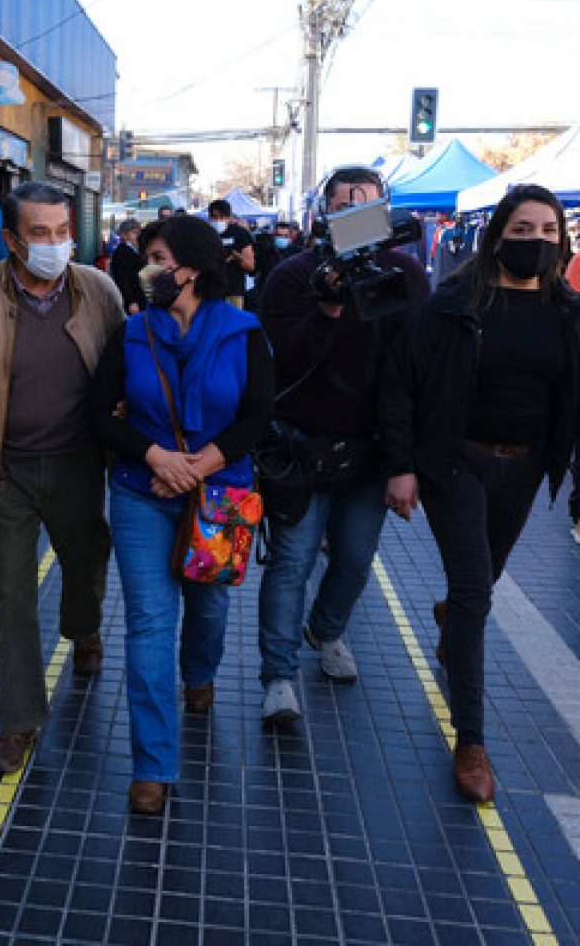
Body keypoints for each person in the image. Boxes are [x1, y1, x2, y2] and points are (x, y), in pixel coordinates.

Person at [380, 184, 578, 803]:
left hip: (522, 471)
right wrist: (401, 465)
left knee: (481, 585)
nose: (536, 242)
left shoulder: (570, 315)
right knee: (473, 590)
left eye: (548, 232)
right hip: (455, 464)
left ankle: (453, 617)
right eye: (523, 231)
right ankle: (471, 740)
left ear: (563, 240)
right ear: (497, 237)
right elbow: (400, 383)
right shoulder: (453, 305)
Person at [0, 181, 124, 775]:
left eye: (64, 232)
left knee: (86, 564)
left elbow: (120, 371)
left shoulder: (99, 291)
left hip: (80, 465)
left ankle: (84, 629)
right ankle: (20, 720)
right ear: (10, 239)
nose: (56, 244)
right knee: (9, 596)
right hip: (2, 469)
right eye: (41, 234)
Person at [90, 216, 273, 814]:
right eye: (146, 257)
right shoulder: (132, 334)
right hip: (143, 491)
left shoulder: (245, 333)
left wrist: (198, 466)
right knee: (147, 623)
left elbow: (256, 417)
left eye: (158, 257)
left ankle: (200, 674)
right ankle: (152, 764)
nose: (147, 269)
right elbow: (99, 414)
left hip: (219, 498)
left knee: (210, 608)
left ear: (191, 268)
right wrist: (153, 456)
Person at [257, 166, 431, 725]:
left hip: (372, 447)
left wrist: (407, 460)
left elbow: (417, 365)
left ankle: (326, 629)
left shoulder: (404, 272)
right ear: (325, 212)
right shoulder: (292, 276)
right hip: (301, 442)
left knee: (355, 559)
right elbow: (282, 360)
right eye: (345, 207)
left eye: (369, 208)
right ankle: (278, 675)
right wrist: (327, 307)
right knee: (291, 562)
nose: (357, 218)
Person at [207, 199, 255, 306]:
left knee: (233, 321)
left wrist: (238, 258)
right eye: (215, 217)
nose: (218, 220)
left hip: (234, 291)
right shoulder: (205, 234)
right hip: (210, 290)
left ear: (229, 218)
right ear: (210, 218)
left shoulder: (240, 233)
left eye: (222, 217)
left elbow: (250, 266)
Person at [109, 218, 145, 315]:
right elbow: (122, 278)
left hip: (140, 296)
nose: (137, 236)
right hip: (132, 299)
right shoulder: (122, 252)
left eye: (139, 232)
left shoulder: (138, 250)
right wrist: (131, 301)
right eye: (134, 233)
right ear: (124, 235)